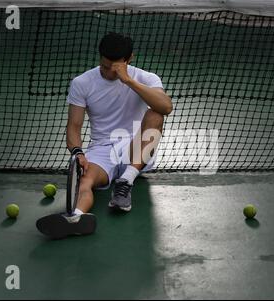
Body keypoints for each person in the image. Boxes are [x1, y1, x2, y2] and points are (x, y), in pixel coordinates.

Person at [37, 32, 173, 238]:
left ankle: (126, 181)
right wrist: (78, 152)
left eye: (115, 67)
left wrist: (128, 81)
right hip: (101, 149)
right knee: (85, 181)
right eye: (104, 65)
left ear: (129, 59)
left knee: (156, 113)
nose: (109, 72)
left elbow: (166, 107)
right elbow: (74, 126)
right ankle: (75, 217)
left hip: (137, 150)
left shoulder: (146, 78)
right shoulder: (82, 83)